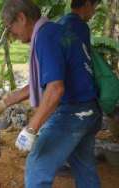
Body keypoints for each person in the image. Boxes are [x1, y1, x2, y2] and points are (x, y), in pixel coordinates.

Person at [0, 0, 102, 187]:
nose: (12, 34)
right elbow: (42, 83)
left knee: (37, 168)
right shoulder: (53, 30)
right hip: (89, 110)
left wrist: (31, 128)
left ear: (21, 18)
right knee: (84, 167)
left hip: (73, 113)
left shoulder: (45, 37)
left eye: (11, 28)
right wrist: (4, 103)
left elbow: (55, 89)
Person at [56, 0, 101, 176]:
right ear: (87, 4)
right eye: (95, 7)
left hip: (69, 98)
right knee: (85, 161)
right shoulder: (81, 27)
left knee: (83, 155)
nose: (94, 12)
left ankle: (65, 161)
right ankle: (63, 161)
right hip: (80, 99)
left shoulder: (60, 24)